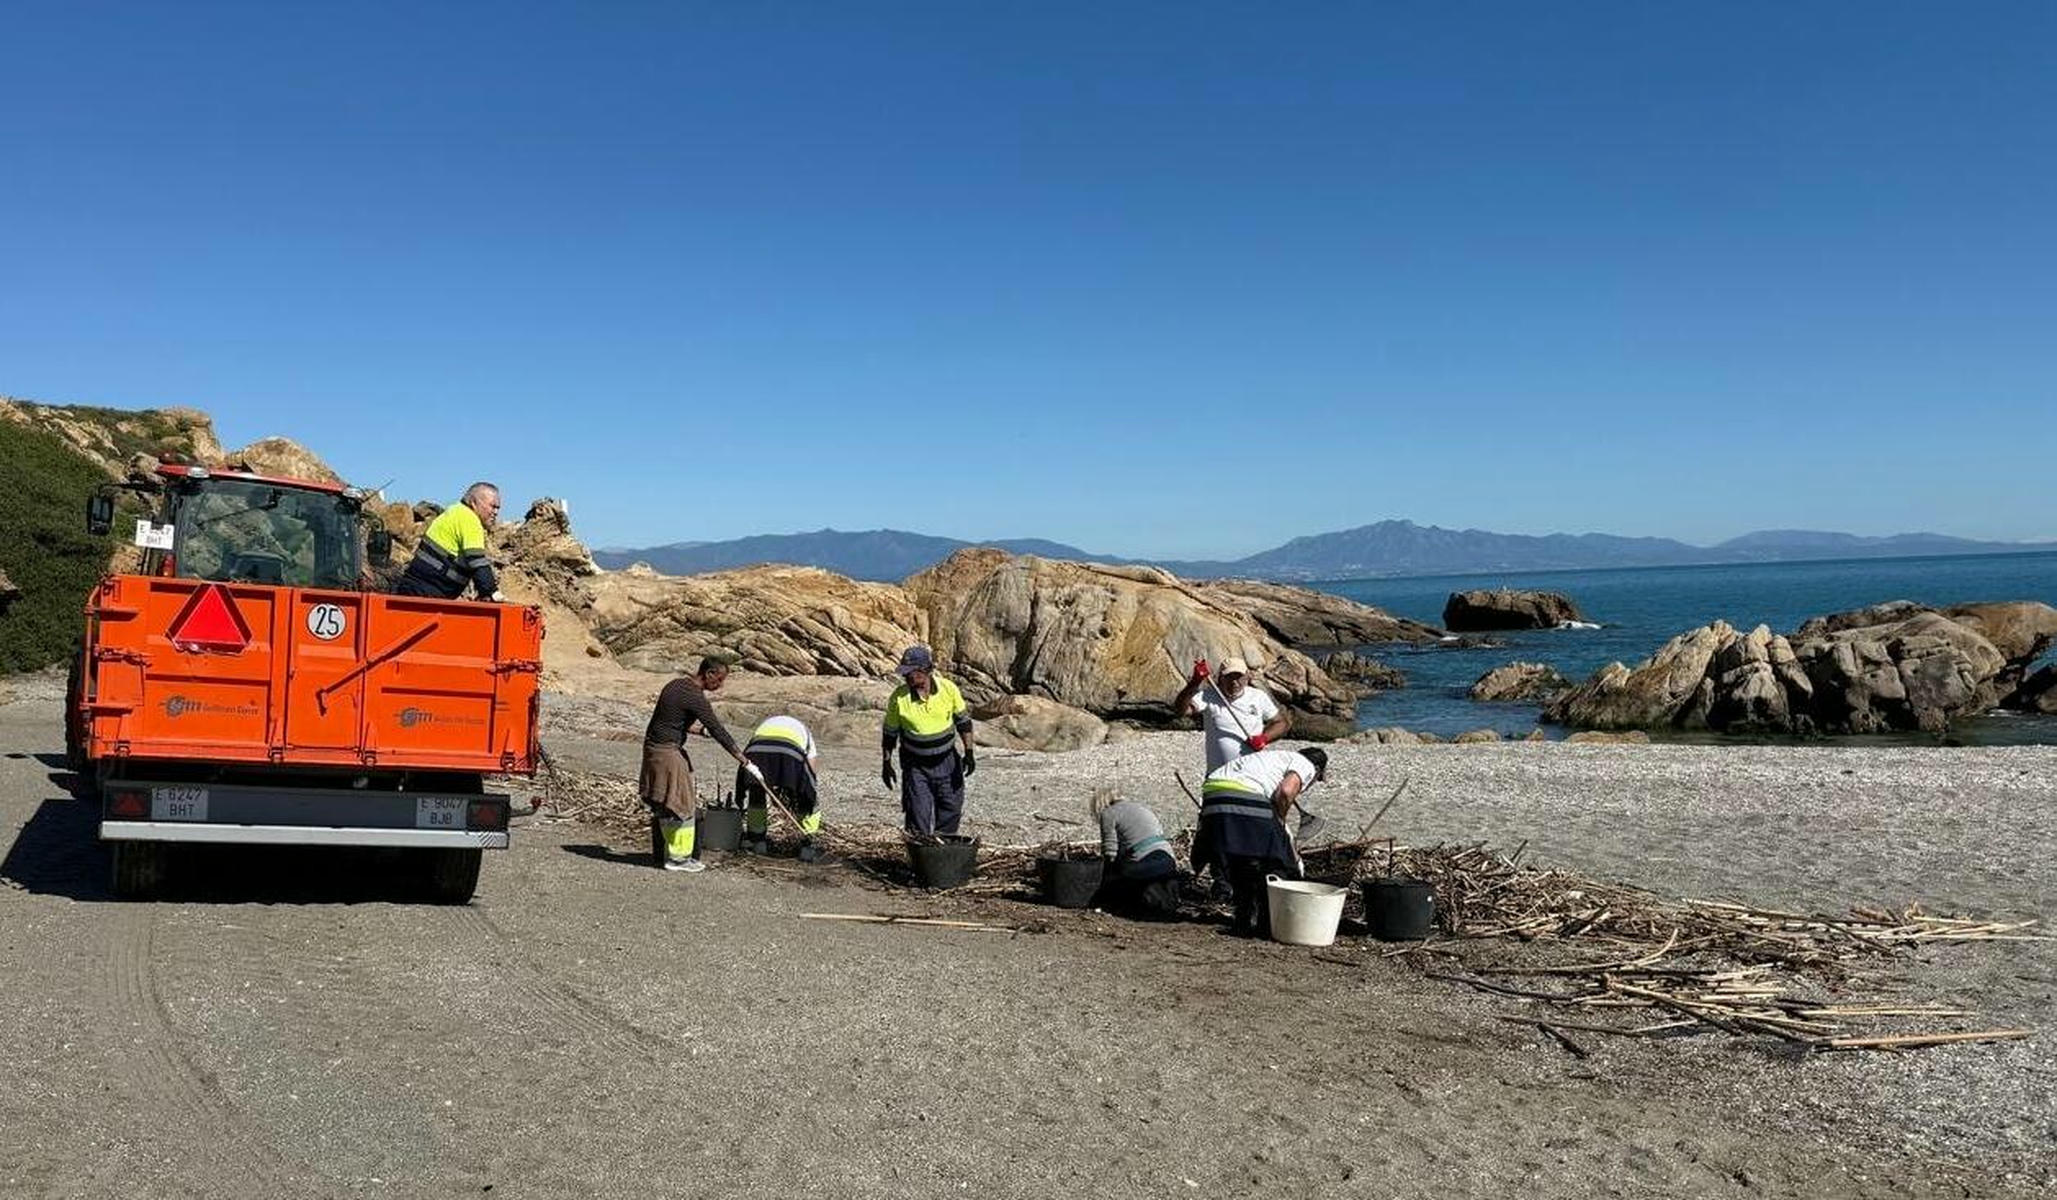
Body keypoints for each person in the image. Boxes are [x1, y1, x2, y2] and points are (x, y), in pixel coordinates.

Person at [641, 656, 763, 873]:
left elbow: (669, 720)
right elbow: (718, 730)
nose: (721, 685)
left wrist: (697, 731)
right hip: (667, 752)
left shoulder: (675, 685)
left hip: (653, 748)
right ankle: (678, 859)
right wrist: (744, 760)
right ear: (709, 674)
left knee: (664, 804)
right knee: (682, 805)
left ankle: (665, 853)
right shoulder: (695, 697)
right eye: (720, 679)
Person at [1192, 747, 1328, 937]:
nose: (1313, 782)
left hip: (1212, 794)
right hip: (1245, 794)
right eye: (1317, 779)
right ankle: (1268, 922)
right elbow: (1286, 791)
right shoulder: (1305, 765)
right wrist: (1280, 821)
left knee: (1241, 860)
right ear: (1318, 770)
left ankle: (1243, 919)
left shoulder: (1272, 758)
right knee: (1275, 860)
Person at [880, 645, 975, 835]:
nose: (905, 677)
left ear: (924, 670)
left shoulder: (949, 689)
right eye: (904, 673)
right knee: (917, 815)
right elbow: (890, 735)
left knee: (951, 809)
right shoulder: (898, 698)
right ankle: (918, 857)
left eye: (910, 673)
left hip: (948, 762)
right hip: (916, 767)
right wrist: (886, 763)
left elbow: (963, 723)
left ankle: (942, 852)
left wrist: (969, 753)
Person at [1173, 656, 1291, 773]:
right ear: (1221, 678)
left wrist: (1264, 738)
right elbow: (1181, 710)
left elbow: (1281, 723)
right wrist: (1195, 682)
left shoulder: (1258, 697)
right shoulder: (1208, 696)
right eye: (1229, 677)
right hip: (1219, 774)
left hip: (1253, 774)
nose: (1234, 682)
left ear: (1247, 676)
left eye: (1239, 677)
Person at [734, 714, 823, 861]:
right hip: (789, 752)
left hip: (756, 750)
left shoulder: (769, 724)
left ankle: (757, 842)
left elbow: (768, 762)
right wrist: (806, 791)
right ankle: (808, 842)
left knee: (757, 792)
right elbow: (811, 770)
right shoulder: (807, 735)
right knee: (807, 794)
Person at [395, 482, 505, 601]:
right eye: (492, 506)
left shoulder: (455, 511)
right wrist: (492, 592)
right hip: (428, 593)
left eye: (498, 508)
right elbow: (477, 562)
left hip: (414, 588)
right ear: (474, 503)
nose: (496, 512)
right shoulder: (470, 520)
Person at [1093, 789, 1181, 920]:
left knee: (1119, 879)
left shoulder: (1109, 813)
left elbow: (1110, 852)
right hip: (1168, 858)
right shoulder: (1141, 808)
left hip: (1143, 863)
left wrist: (1103, 882)